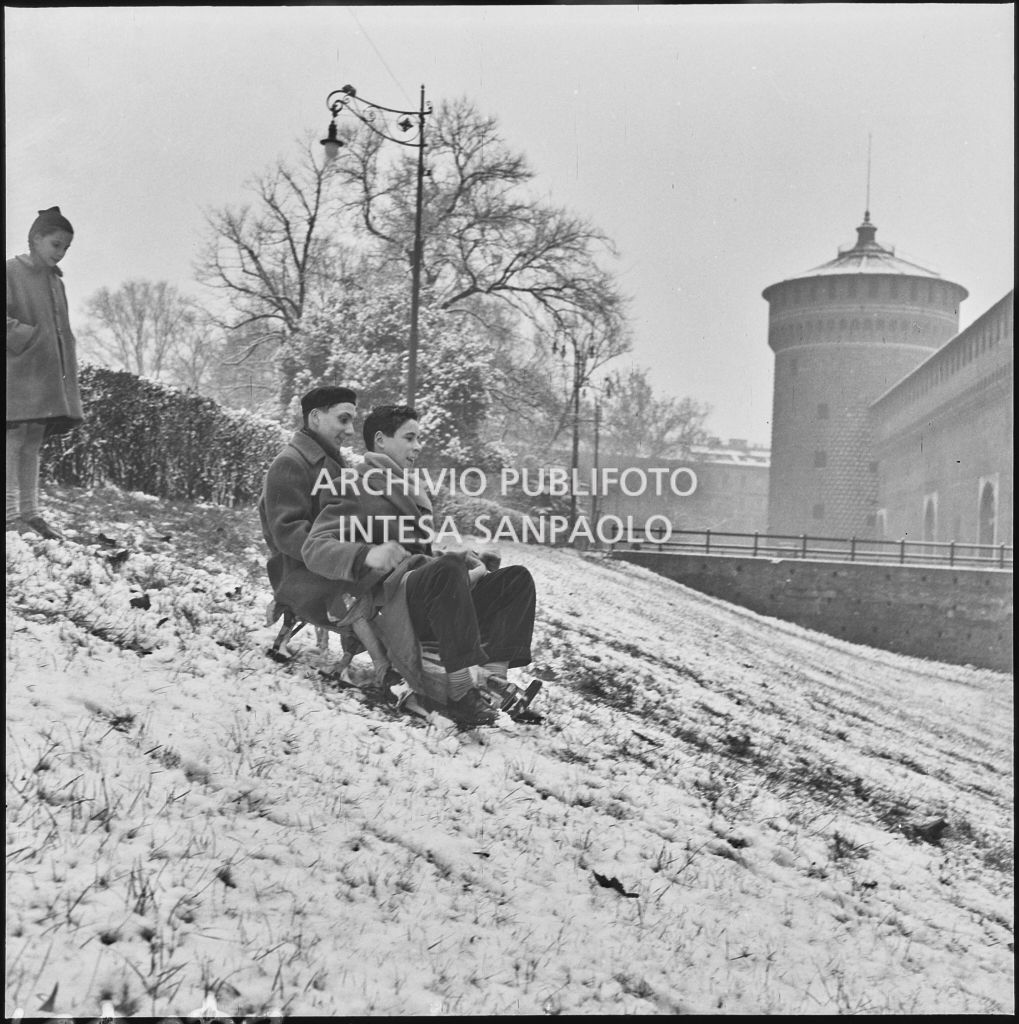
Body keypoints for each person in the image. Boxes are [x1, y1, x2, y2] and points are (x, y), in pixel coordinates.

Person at [302, 404, 538, 727]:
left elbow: (420, 554)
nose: (418, 446)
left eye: (419, 439)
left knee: (515, 580)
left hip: (430, 595)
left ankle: (495, 683)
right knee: (449, 569)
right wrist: (366, 555)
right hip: (391, 603)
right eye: (410, 438)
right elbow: (314, 548)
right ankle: (460, 691)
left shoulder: (413, 491)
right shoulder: (355, 486)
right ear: (381, 441)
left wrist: (456, 559)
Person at [6, 206, 84, 539]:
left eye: (66, 248)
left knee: (33, 442)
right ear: (36, 238)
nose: (61, 253)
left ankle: (31, 513)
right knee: (13, 440)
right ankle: (9, 514)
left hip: (46, 377)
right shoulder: (11, 271)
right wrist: (27, 337)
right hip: (18, 372)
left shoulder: (55, 282)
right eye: (56, 244)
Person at [258, 385, 360, 626]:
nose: (351, 430)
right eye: (343, 420)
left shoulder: (329, 460)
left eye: (352, 421)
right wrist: (350, 556)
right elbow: (288, 535)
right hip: (304, 576)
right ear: (315, 417)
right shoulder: (290, 463)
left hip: (331, 567)